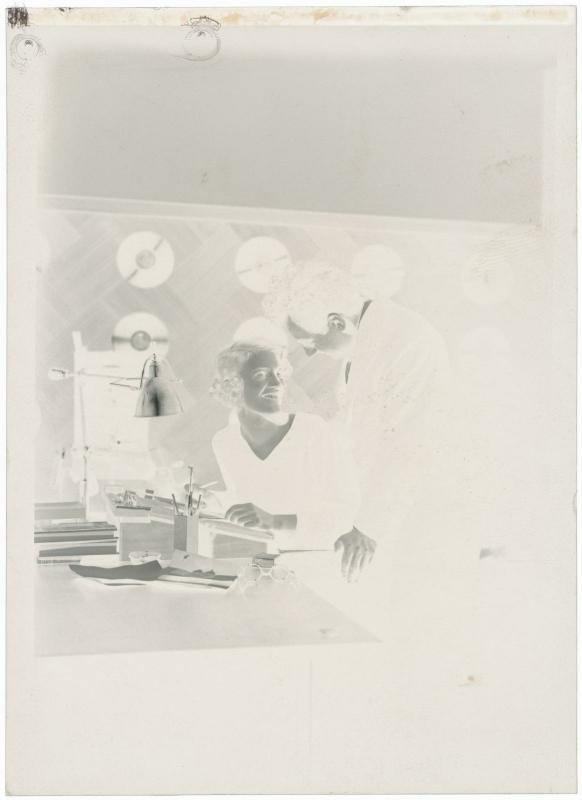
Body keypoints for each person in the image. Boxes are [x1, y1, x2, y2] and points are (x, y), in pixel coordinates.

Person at [264, 260, 450, 580]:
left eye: (310, 341)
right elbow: (352, 426)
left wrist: (368, 528)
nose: (309, 353)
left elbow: (409, 446)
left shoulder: (407, 341)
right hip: (381, 506)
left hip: (424, 516)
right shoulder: (365, 337)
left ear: (336, 322)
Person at [208, 341, 360, 553]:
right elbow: (245, 499)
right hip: (260, 555)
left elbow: (347, 514)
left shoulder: (312, 430)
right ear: (233, 385)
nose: (276, 383)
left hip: (316, 556)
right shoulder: (224, 441)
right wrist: (214, 499)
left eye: (278, 374)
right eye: (261, 375)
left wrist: (274, 520)